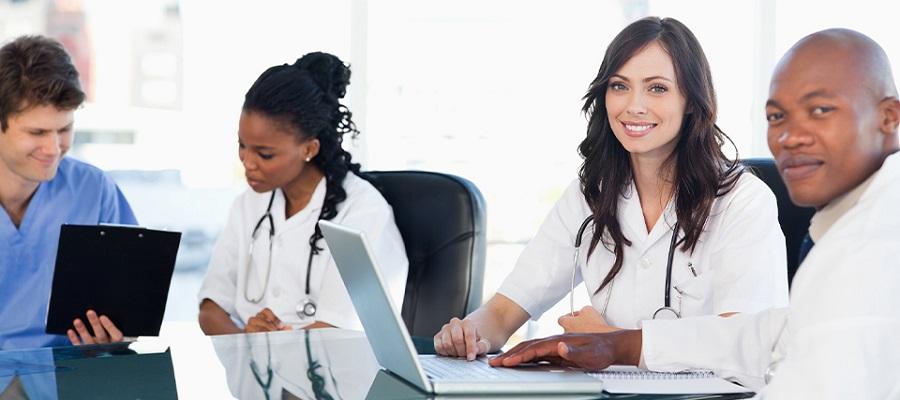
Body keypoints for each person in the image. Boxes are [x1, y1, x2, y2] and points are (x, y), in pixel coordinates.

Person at [490, 28, 900, 398]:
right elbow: (763, 337)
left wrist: (617, 341)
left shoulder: (872, 249)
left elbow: (794, 375)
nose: (790, 136)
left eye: (821, 110)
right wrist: (616, 344)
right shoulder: (847, 228)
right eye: (776, 117)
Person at [435, 16, 788, 361]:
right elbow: (502, 313)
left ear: (692, 102)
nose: (634, 106)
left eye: (657, 88)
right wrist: (468, 334)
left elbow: (748, 343)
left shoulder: (743, 202)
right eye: (619, 86)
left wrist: (612, 342)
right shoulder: (590, 195)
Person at [198, 52, 408, 334]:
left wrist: (271, 346)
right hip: (256, 372)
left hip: (336, 374)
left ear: (309, 149)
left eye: (265, 154)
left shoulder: (364, 212)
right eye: (242, 145)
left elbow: (337, 333)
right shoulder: (249, 204)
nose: (247, 163)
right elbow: (211, 310)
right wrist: (249, 346)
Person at [0, 35, 137, 350]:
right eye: (37, 132)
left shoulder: (94, 191)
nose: (53, 149)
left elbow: (129, 313)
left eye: (64, 130)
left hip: (67, 379)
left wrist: (117, 334)